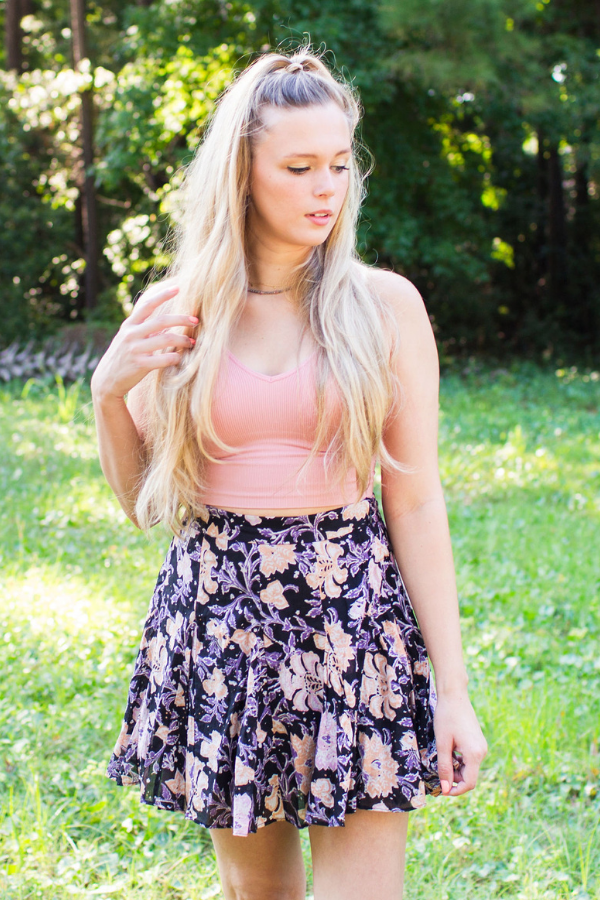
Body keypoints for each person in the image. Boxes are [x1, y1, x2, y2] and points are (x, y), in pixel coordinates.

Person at [91, 47, 488, 900]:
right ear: (242, 173)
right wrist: (108, 393)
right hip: (219, 628)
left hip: (352, 626)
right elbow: (145, 505)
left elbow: (416, 500)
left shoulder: (383, 307)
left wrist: (452, 693)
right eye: (299, 167)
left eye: (340, 165)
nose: (326, 189)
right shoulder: (179, 311)